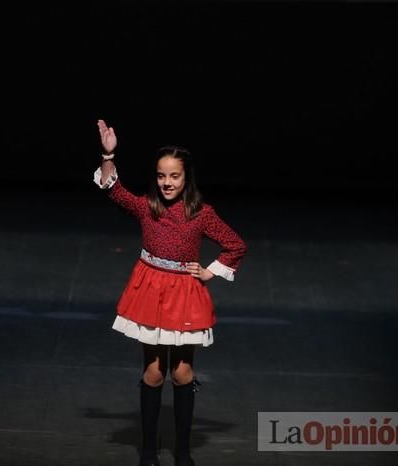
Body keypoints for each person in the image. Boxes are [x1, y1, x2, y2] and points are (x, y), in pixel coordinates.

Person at [93, 119, 247, 466]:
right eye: (162, 175)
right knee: (153, 371)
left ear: (185, 177)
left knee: (182, 373)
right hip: (150, 289)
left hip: (184, 294)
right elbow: (112, 189)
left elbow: (235, 245)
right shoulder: (148, 206)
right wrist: (108, 153)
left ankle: (182, 450)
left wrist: (209, 271)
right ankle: (148, 450)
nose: (167, 182)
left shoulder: (200, 213)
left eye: (174, 176)